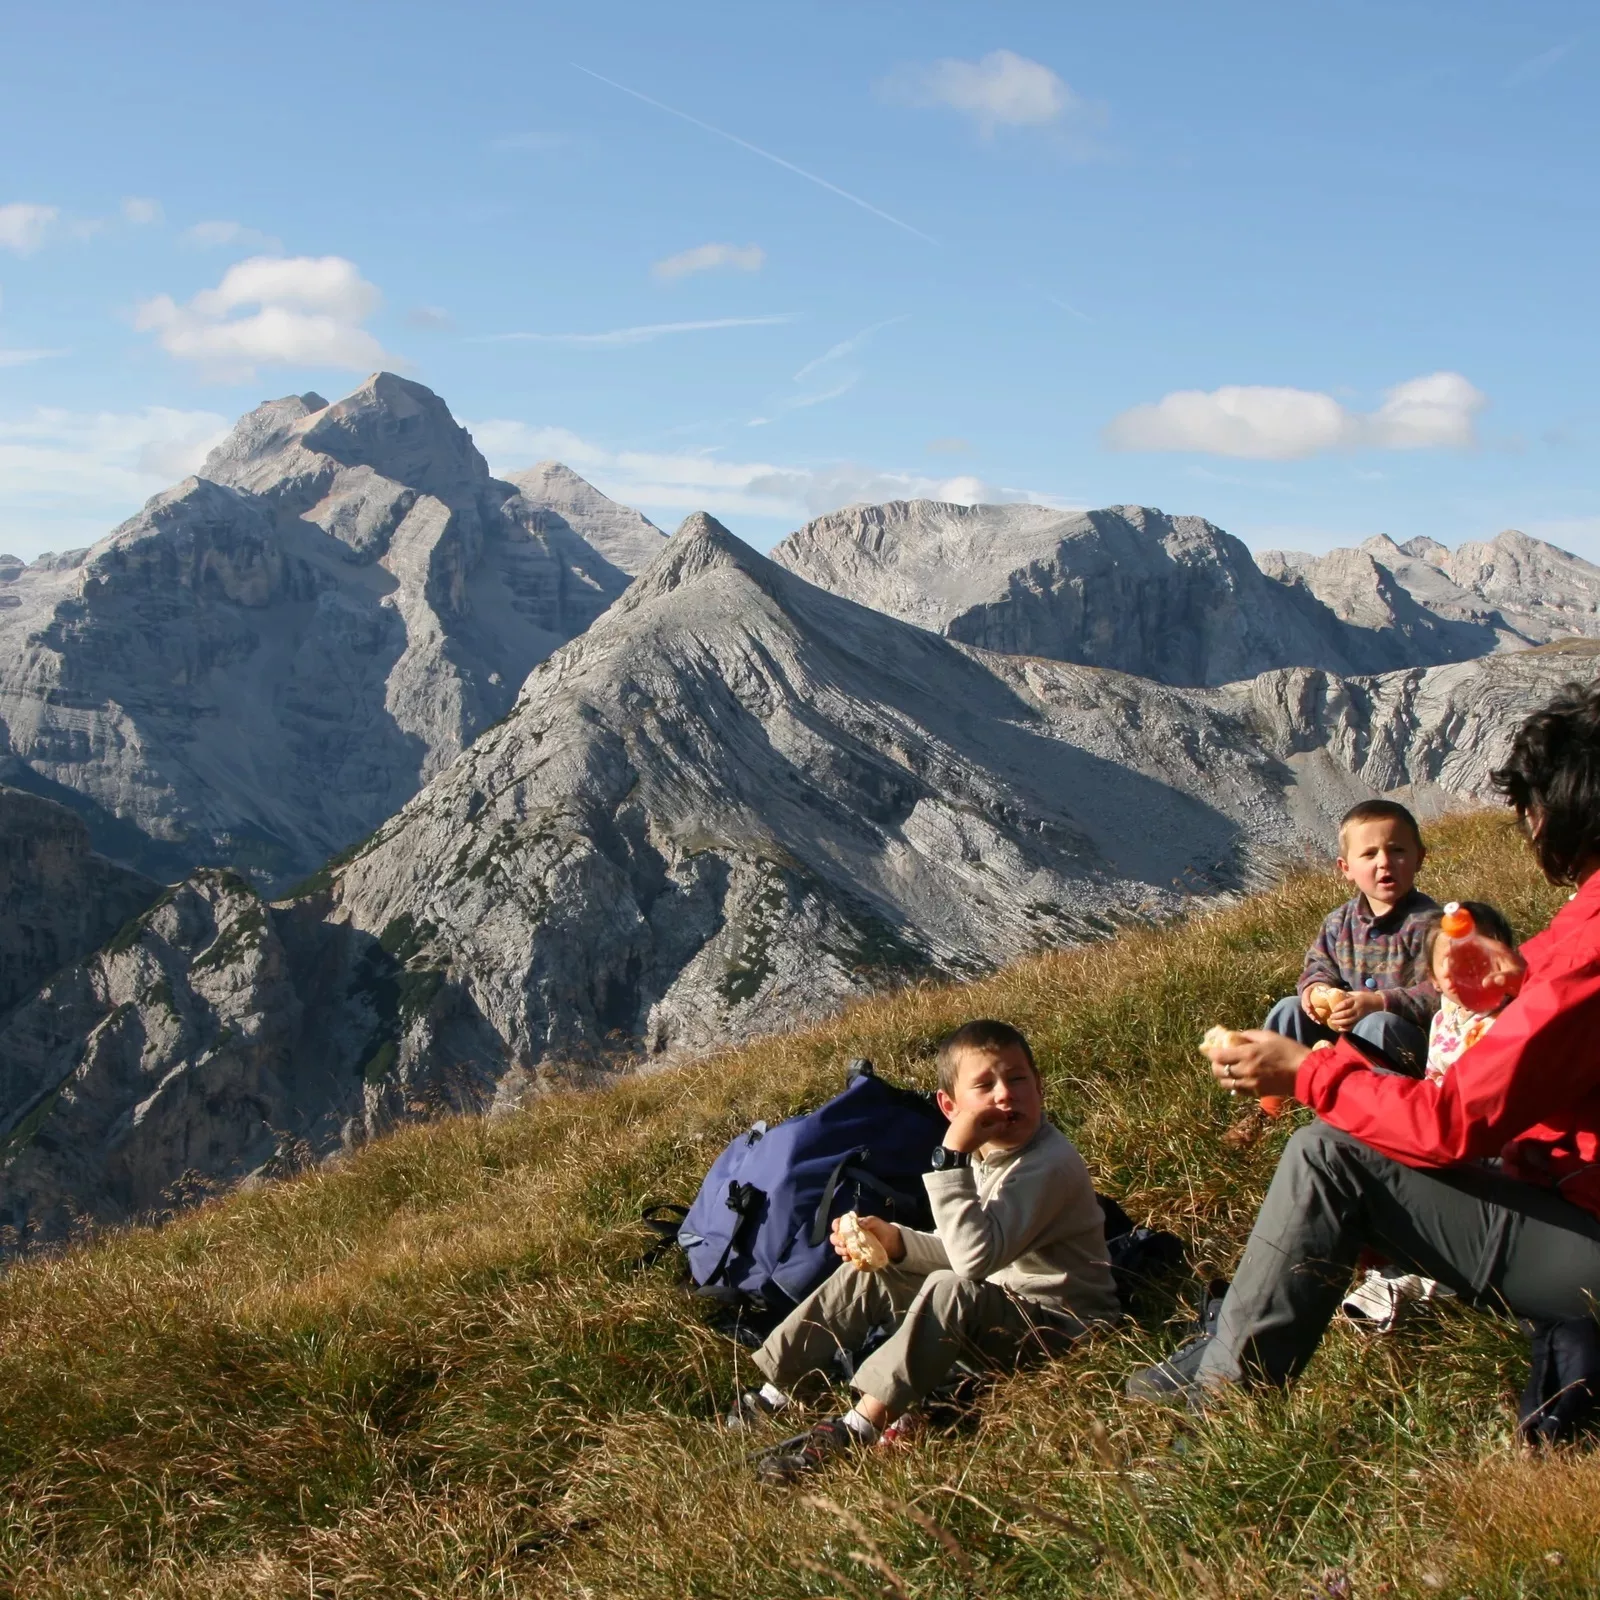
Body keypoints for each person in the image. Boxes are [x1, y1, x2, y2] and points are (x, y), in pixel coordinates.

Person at [1127, 680, 1600, 1409]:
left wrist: (1313, 1071)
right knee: (1348, 1151)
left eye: (1530, 810)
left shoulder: (1587, 951)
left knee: (1331, 1153)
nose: (1530, 829)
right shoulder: (1578, 933)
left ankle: (1221, 1406)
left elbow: (1451, 1124)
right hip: (1570, 1195)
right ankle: (1221, 1356)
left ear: (1562, 809)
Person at [742, 1019, 1120, 1481]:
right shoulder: (993, 1154)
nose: (1006, 1095)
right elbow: (970, 1249)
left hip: (1063, 1330)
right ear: (950, 1104)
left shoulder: (1048, 1165)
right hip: (1002, 1301)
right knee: (871, 1271)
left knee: (950, 1287)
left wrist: (951, 1159)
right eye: (985, 1085)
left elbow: (972, 1262)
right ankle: (774, 1391)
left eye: (1018, 1079)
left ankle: (854, 1430)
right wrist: (896, 1241)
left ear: (1040, 1087)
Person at [1341, 900, 1520, 1331]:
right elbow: (1434, 1075)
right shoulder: (1445, 1017)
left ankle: (1419, 1273)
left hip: (1488, 1144)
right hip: (1440, 1127)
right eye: (1449, 965)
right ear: (1434, 976)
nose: (1464, 974)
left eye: (1478, 959)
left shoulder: (1511, 1018)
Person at [1262, 799, 1441, 1076]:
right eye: (1369, 854)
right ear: (1346, 868)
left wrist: (1379, 1001)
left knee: (1378, 1023)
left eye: (1397, 851)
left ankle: (1366, 1104)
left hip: (1403, 1042)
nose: (1384, 862)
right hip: (1343, 1030)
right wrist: (1315, 989)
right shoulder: (1339, 921)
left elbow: (1439, 994)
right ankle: (1274, 1094)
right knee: (1289, 1009)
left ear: (1419, 858)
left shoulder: (1432, 925)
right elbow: (1319, 966)